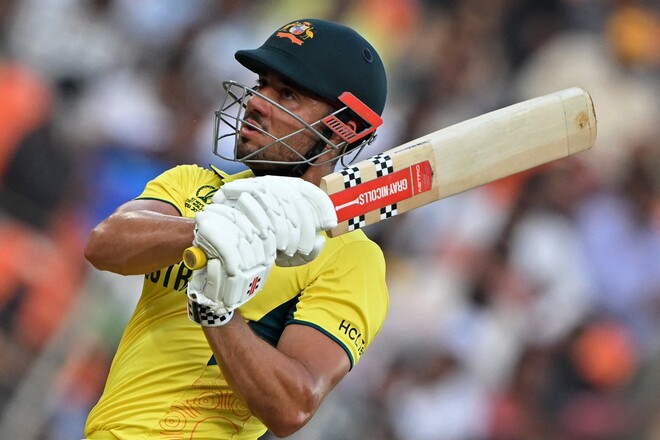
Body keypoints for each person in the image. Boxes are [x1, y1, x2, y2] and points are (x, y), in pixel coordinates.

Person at [83, 18, 389, 439]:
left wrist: (218, 312)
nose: (257, 102)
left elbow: (293, 406)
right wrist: (210, 230)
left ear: (342, 130)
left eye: (288, 94)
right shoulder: (194, 184)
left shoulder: (351, 257)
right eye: (262, 84)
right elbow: (104, 244)